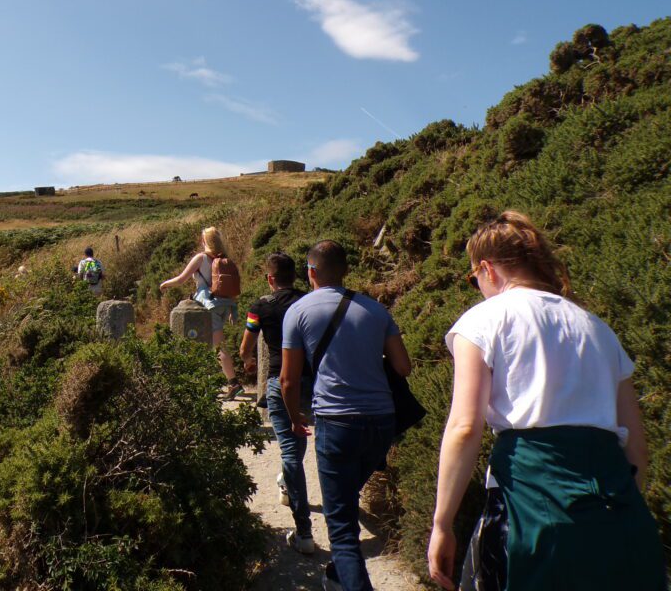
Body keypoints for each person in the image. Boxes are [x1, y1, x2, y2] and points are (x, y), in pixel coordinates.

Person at [428, 211, 665, 591]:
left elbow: (465, 427)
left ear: (487, 269)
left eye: (474, 279)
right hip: (620, 513)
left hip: (531, 503)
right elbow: (637, 447)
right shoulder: (598, 329)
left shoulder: (484, 320)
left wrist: (442, 525)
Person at [281, 240, 411, 591]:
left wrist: (295, 419)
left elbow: (289, 379)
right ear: (345, 271)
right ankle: (338, 575)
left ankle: (349, 578)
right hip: (382, 422)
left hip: (336, 423)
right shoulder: (376, 310)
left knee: (341, 530)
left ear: (310, 271)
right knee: (346, 497)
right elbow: (403, 366)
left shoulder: (298, 311)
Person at [240, 252, 313, 553]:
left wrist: (247, 363)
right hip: (309, 381)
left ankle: (305, 531)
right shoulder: (308, 301)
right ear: (295, 276)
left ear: (270, 278)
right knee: (297, 443)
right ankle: (287, 479)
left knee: (291, 451)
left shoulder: (260, 306)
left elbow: (246, 346)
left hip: (277, 380)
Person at [159, 226, 241, 398]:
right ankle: (215, 380)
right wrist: (233, 310)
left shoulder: (201, 258)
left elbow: (182, 279)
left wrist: (165, 284)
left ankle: (233, 383)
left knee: (219, 346)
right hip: (226, 304)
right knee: (213, 345)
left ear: (204, 241)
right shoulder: (225, 259)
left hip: (209, 305)